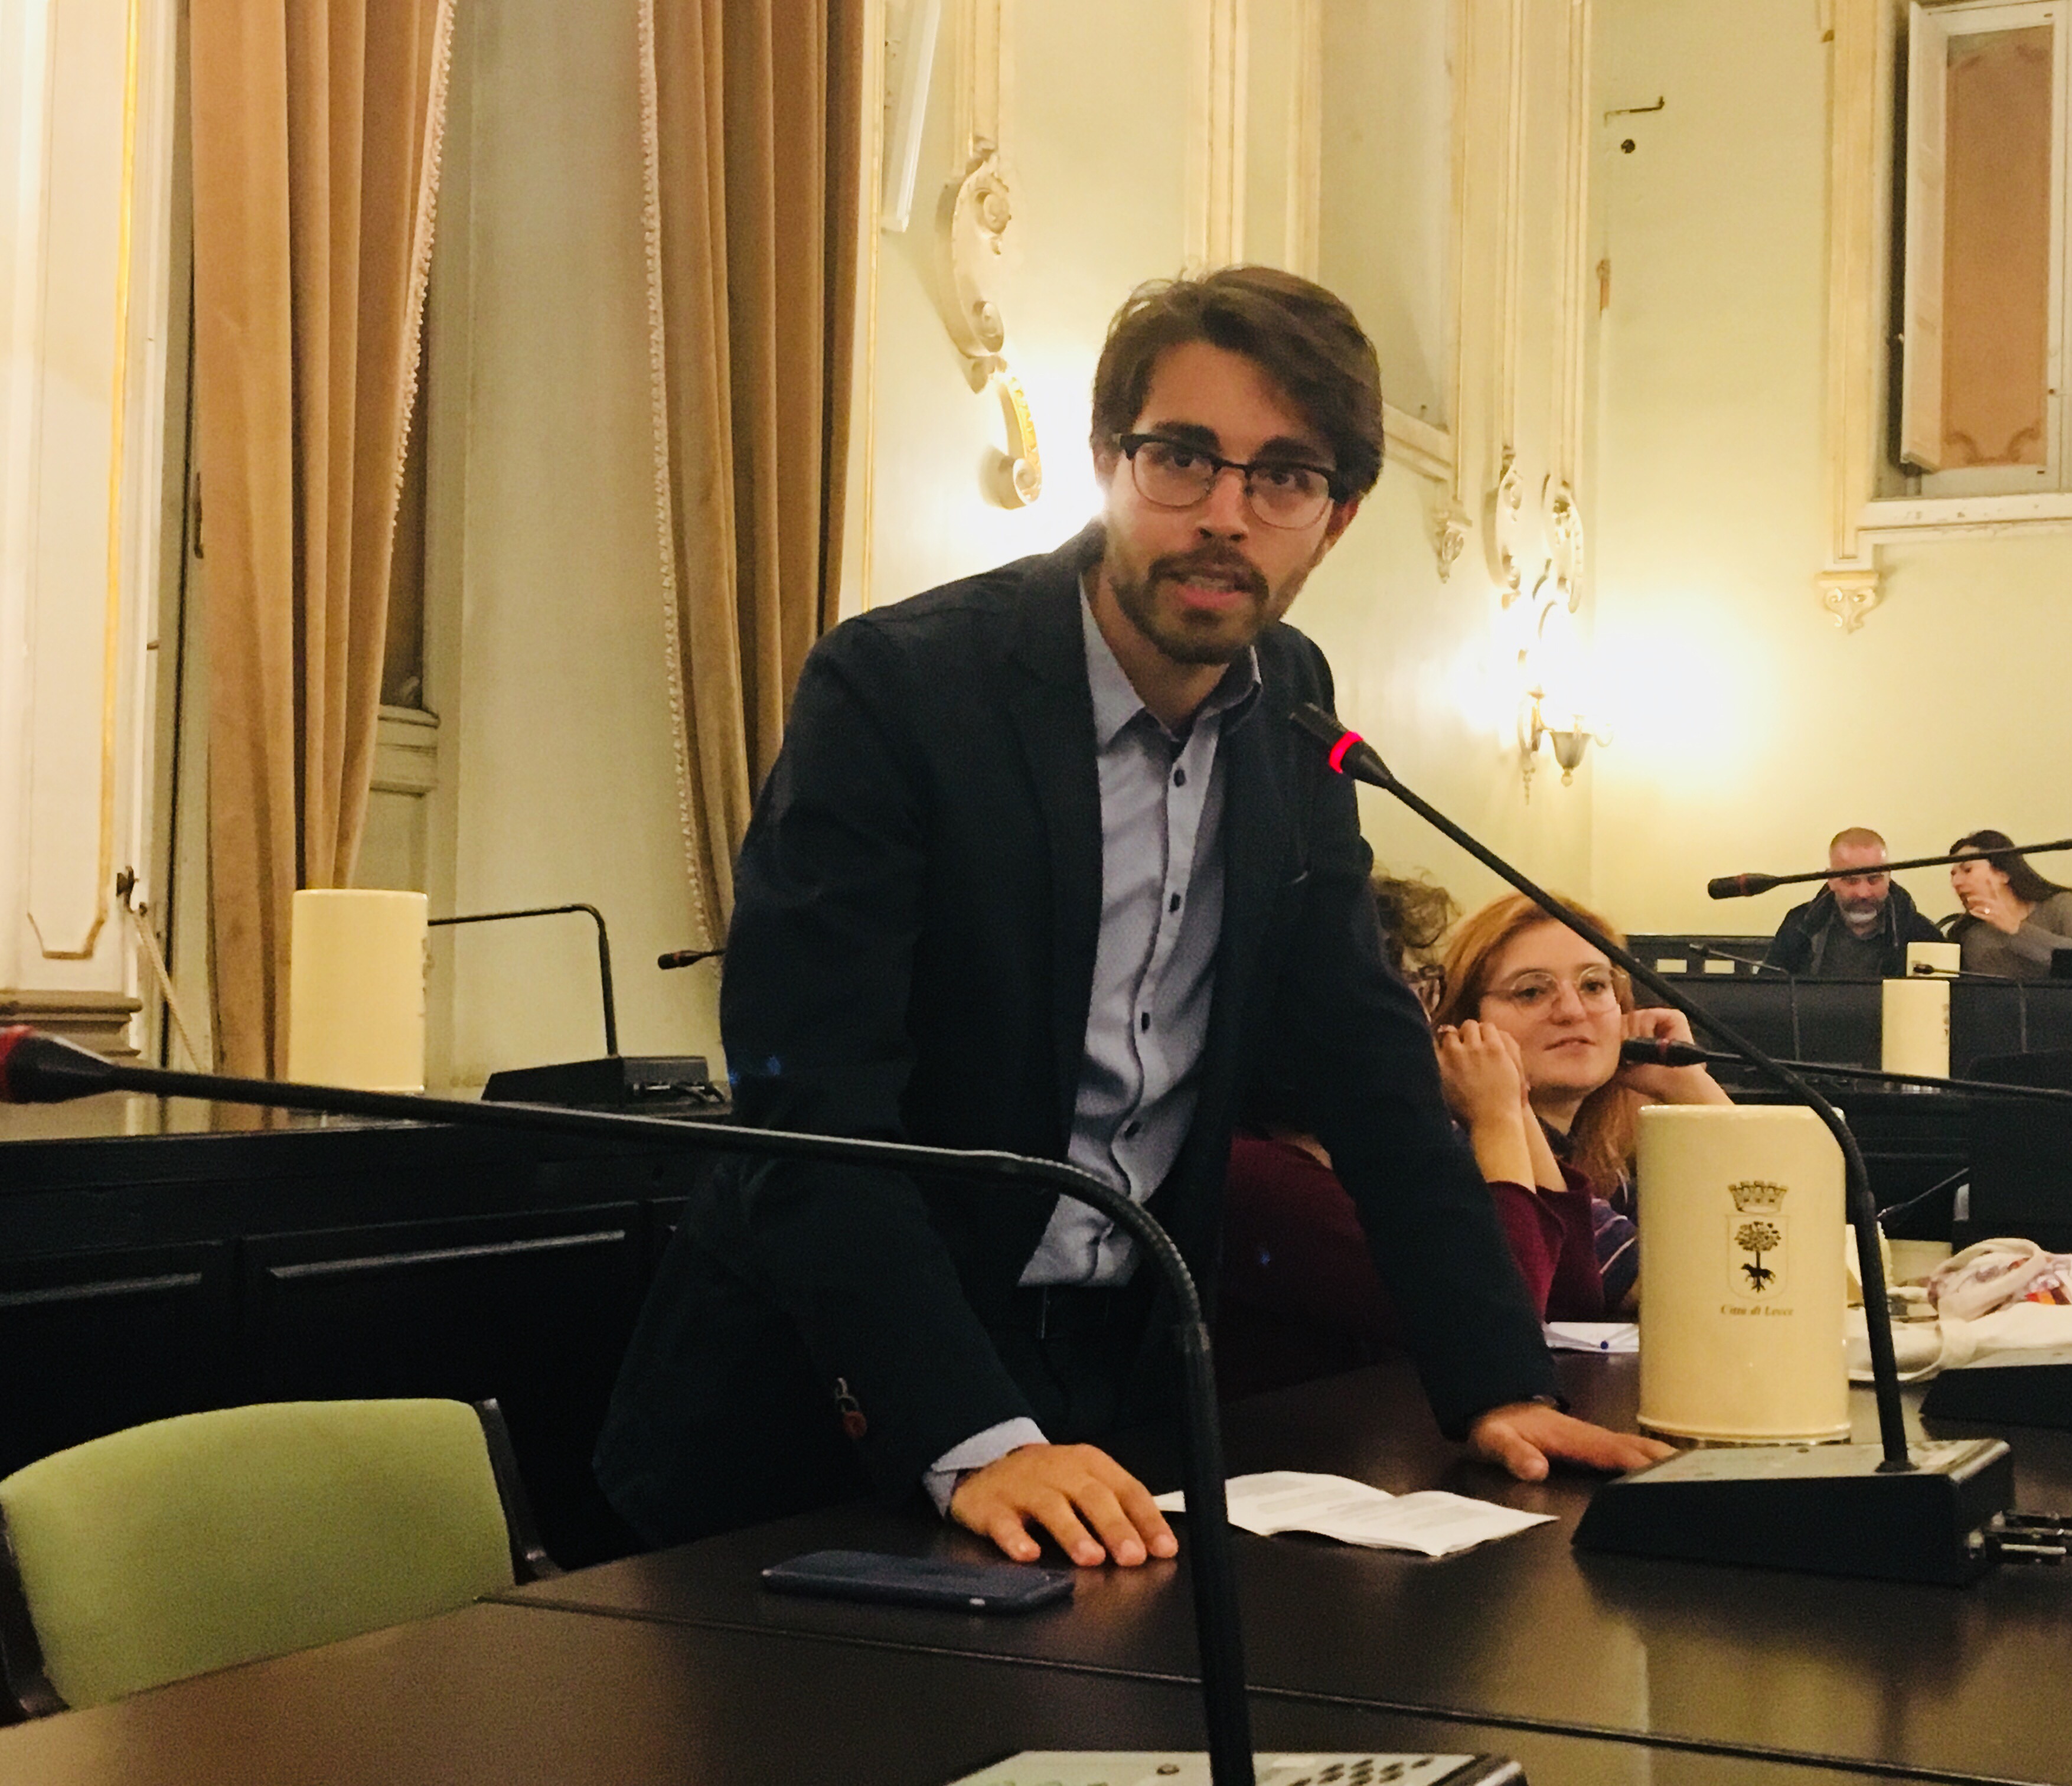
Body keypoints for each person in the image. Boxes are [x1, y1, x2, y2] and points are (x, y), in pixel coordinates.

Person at [593, 266, 1669, 1569]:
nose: (1224, 514)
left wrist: (1498, 1378)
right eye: (1182, 458)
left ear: (1335, 520)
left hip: (1117, 1388)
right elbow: (812, 1106)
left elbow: (1369, 1064)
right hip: (826, 1405)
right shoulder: (901, 688)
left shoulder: (1292, 699)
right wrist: (974, 1432)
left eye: (1283, 476)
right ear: (1107, 460)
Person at [1221, 891, 1730, 1393]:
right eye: (1531, 992)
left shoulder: (1600, 1146)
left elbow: (1577, 1291)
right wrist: (1500, 1113)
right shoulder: (1266, 1172)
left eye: (1595, 986)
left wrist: (1688, 1084)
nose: (1574, 1012)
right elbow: (1507, 1317)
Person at [1761, 827, 1943, 976]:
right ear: (1830, 879)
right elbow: (1769, 994)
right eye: (1851, 881)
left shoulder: (1921, 934)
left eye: (1874, 879)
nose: (1863, 893)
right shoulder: (1800, 925)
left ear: (1889, 877)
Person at [1940, 829, 2072, 980]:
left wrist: (2016, 929)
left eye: (1967, 870)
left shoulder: (2062, 904)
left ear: (2004, 873)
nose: (1956, 883)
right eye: (1953, 875)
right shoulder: (1967, 932)